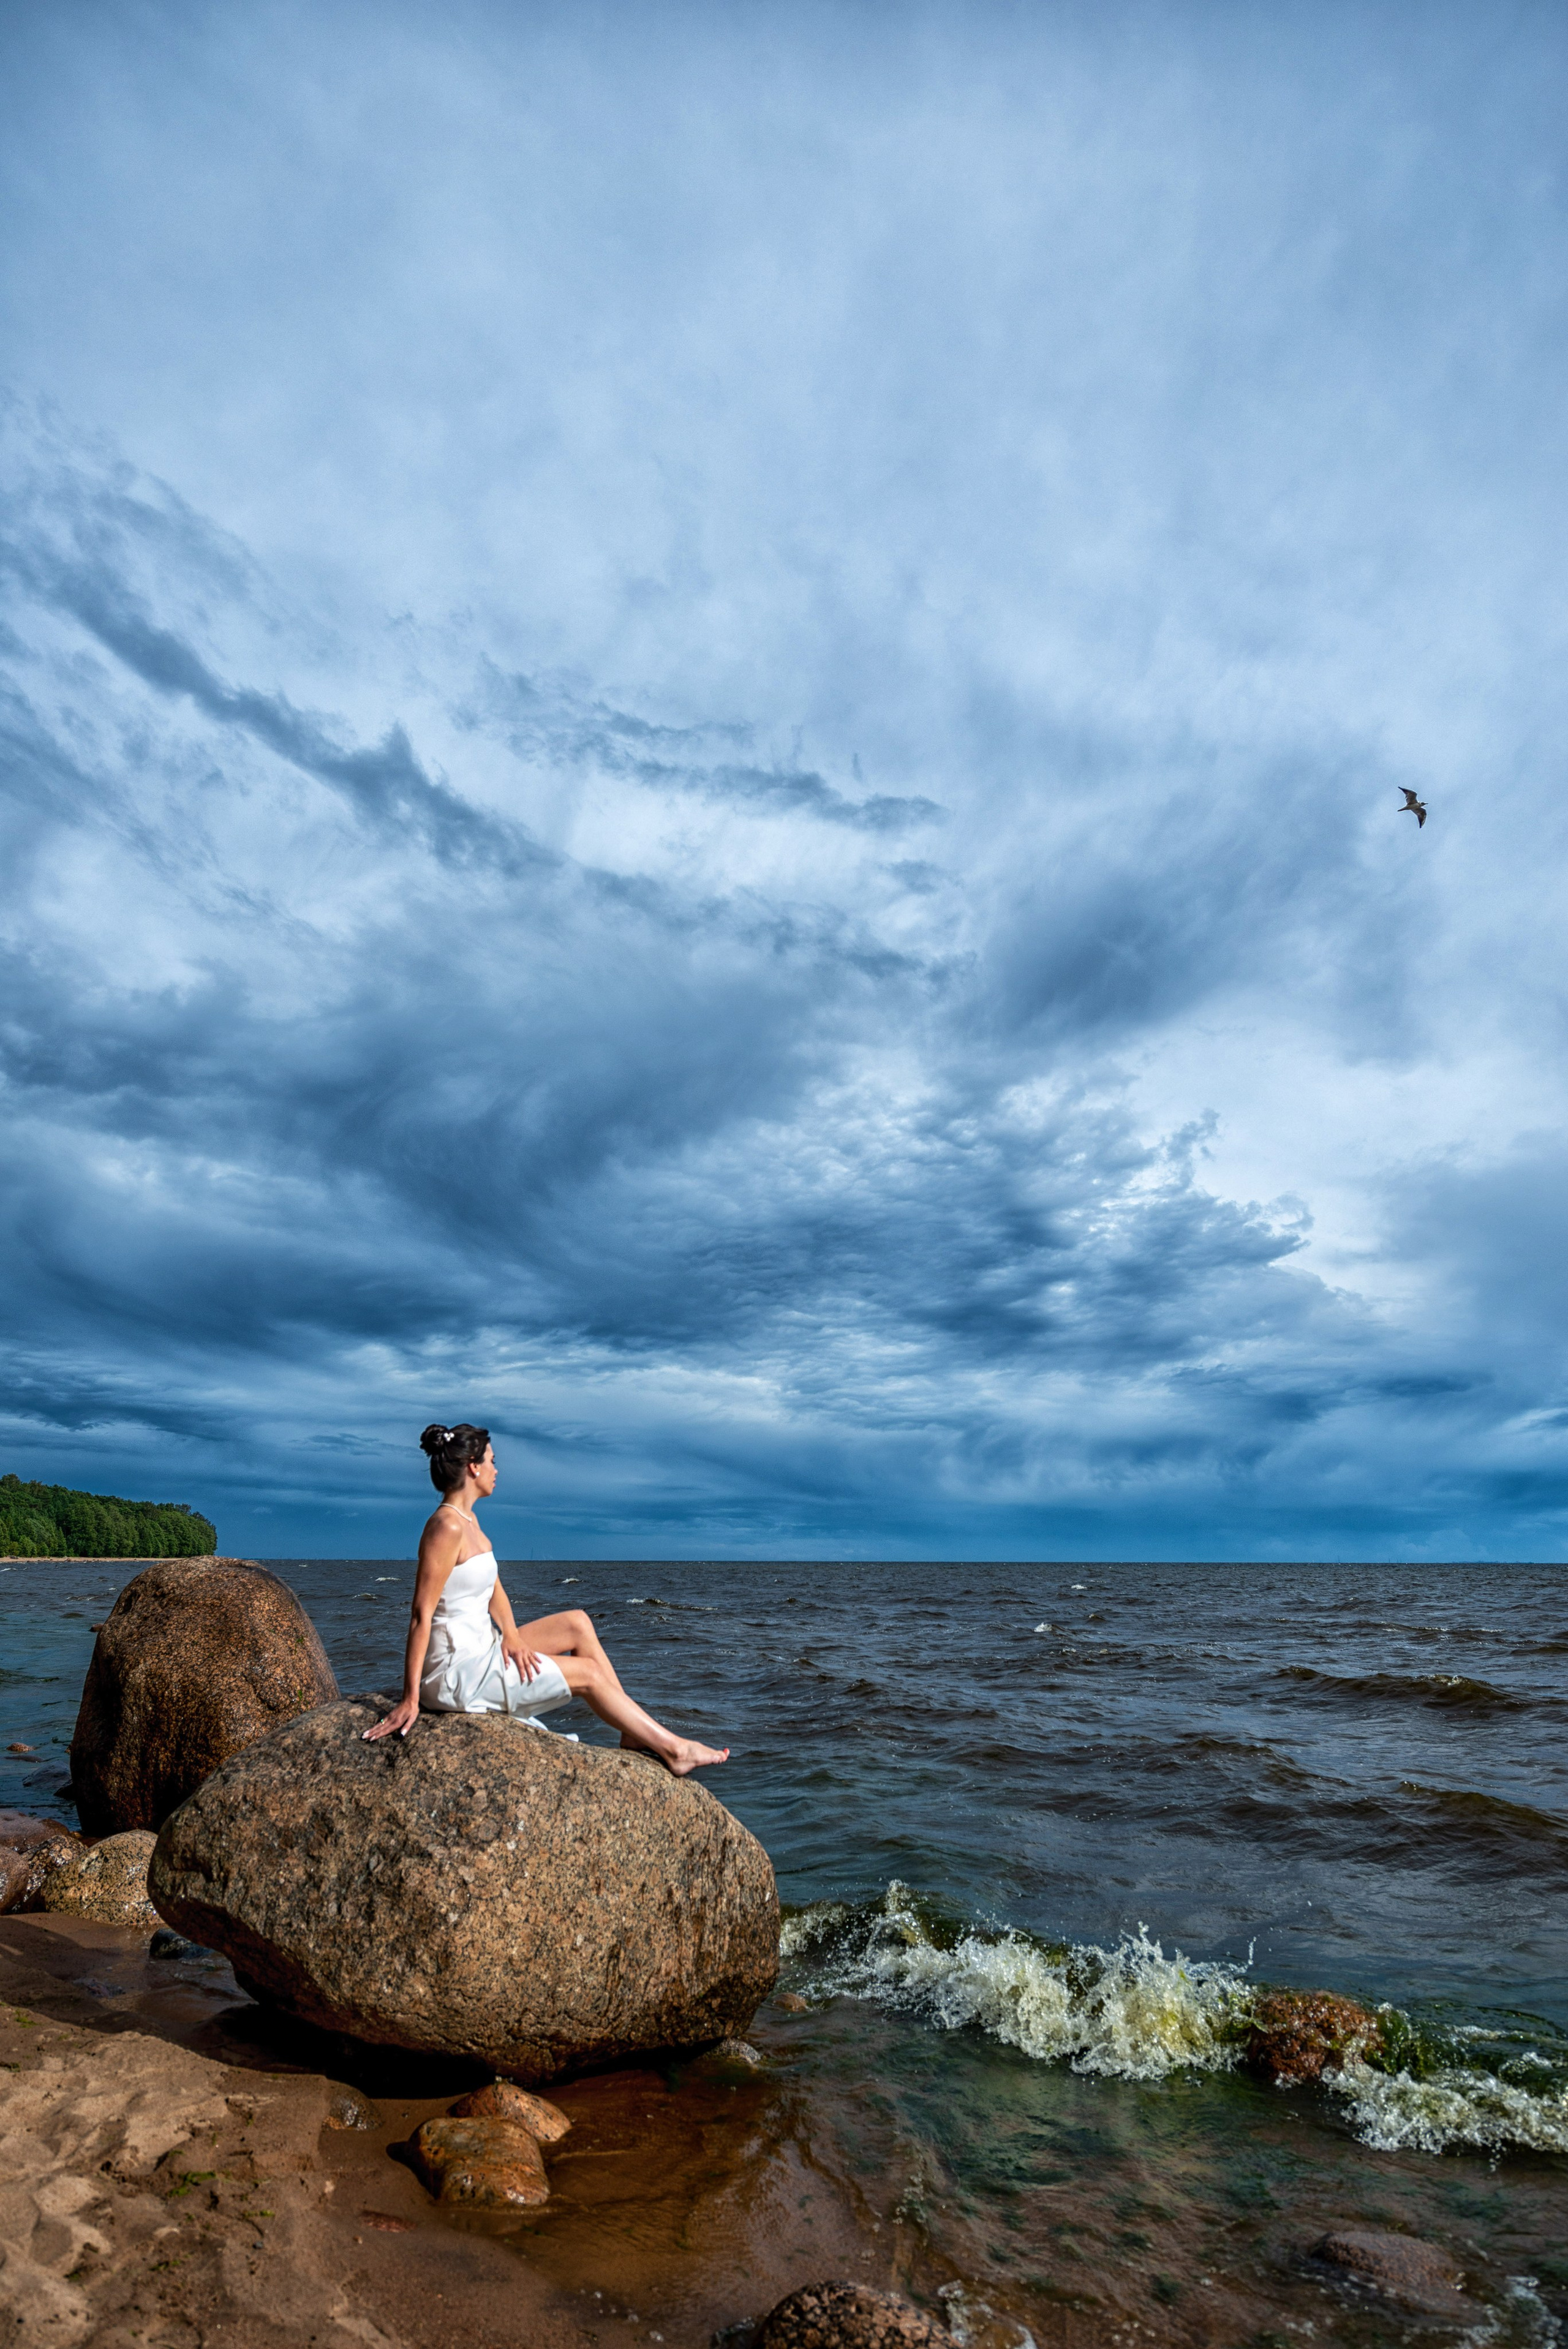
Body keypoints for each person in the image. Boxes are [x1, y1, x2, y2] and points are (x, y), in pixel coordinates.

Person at [361, 1422, 728, 1773]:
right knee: (588, 1673)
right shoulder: (446, 1526)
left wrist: (513, 1636)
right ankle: (676, 1750)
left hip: (483, 1649)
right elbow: (421, 1615)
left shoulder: (469, 1521)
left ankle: (633, 1733)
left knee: (578, 1623)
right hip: (456, 1672)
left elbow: (493, 1588)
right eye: (492, 1460)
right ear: (473, 1468)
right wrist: (411, 1698)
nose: (497, 1470)